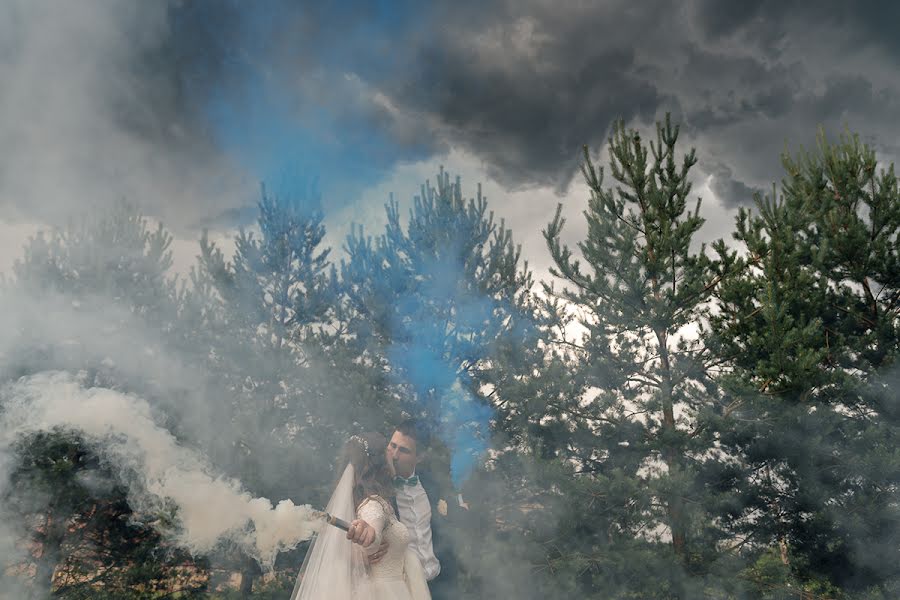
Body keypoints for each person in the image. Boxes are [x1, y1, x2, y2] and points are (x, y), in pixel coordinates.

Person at [290, 432, 430, 600]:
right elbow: (372, 531)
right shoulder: (373, 505)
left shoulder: (373, 501)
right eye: (389, 451)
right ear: (379, 464)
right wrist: (368, 535)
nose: (394, 456)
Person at [371, 420, 462, 599]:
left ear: (419, 457)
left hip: (441, 584)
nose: (394, 455)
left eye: (404, 450)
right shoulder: (377, 489)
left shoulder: (432, 484)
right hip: (403, 588)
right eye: (392, 445)